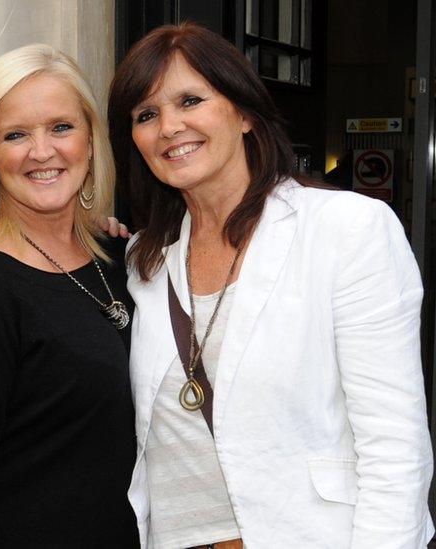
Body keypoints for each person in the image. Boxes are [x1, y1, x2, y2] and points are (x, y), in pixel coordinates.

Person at [107, 23, 433, 548]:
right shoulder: (145, 260)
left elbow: (394, 445)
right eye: (146, 115)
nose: (169, 126)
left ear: (244, 113)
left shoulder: (346, 229)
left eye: (190, 99)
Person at [0, 44, 139, 547]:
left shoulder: (117, 255)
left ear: (90, 138)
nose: (42, 152)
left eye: (61, 127)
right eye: (16, 135)